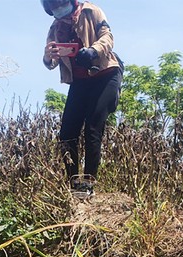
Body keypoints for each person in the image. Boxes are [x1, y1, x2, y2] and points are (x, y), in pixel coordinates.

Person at [41, 0, 123, 198]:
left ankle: (88, 183)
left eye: (61, 5)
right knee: (67, 133)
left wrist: (93, 50)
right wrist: (47, 56)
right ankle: (72, 183)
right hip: (79, 82)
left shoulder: (91, 11)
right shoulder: (55, 26)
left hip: (105, 74)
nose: (59, 10)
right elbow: (50, 63)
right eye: (54, 9)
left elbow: (107, 36)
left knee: (93, 128)